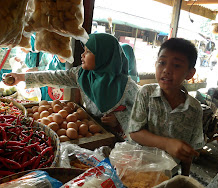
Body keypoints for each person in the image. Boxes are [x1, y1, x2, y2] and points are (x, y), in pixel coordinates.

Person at [4, 33, 139, 140]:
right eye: (84, 50)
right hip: (95, 135)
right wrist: (21, 77)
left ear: (104, 56)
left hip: (120, 140)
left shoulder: (128, 87)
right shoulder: (82, 75)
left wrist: (119, 120)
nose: (82, 55)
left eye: (88, 52)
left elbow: (141, 116)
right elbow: (54, 76)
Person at [127, 38, 204, 176]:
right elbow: (135, 132)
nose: (167, 70)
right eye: (162, 63)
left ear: (190, 73)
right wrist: (167, 144)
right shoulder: (146, 93)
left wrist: (184, 178)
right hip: (138, 167)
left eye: (176, 65)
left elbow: (188, 151)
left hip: (168, 173)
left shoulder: (194, 108)